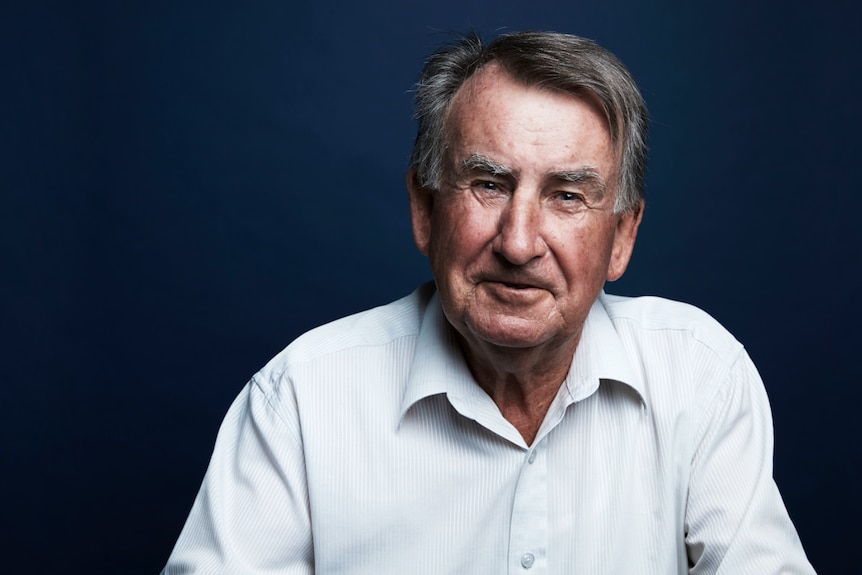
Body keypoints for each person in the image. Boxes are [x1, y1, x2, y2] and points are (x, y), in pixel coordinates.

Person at [162, 31, 815, 574]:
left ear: (621, 237)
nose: (519, 241)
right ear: (425, 209)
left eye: (566, 195)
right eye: (488, 183)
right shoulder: (299, 403)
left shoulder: (701, 379)